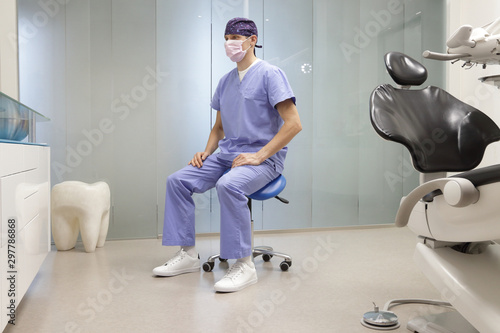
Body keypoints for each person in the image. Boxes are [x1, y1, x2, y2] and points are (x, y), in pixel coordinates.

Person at [153, 17, 302, 293]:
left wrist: (259, 156)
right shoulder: (225, 82)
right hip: (227, 154)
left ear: (252, 40)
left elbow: (294, 124)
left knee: (228, 184)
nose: (230, 43)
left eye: (236, 37)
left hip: (264, 158)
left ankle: (244, 264)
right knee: (177, 180)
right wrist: (206, 152)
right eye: (227, 38)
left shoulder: (271, 74)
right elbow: (219, 127)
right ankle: (187, 255)